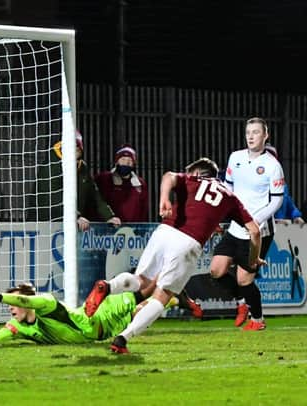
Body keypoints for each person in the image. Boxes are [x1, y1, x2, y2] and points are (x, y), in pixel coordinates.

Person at [85, 157, 263, 354]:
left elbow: (169, 176)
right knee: (162, 296)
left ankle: (108, 286)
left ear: (198, 173)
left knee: (141, 280)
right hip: (188, 243)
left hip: (164, 232)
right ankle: (122, 339)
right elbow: (255, 231)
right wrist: (253, 260)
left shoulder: (192, 181)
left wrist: (165, 199)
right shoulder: (230, 197)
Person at [209, 118, 284, 331]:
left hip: (258, 231)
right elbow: (227, 189)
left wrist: (256, 220)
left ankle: (258, 320)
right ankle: (242, 303)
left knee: (244, 279)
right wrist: (217, 216)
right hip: (235, 227)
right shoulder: (236, 158)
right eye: (248, 132)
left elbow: (277, 200)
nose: (251, 136)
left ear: (265, 136)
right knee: (216, 271)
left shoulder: (272, 165)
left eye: (256, 132)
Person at [0, 282, 144, 346]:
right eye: (9, 306)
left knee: (143, 293)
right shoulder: (19, 325)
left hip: (97, 319)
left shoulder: (45, 303)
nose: (11, 309)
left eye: (13, 304)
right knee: (137, 313)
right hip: (100, 332)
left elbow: (26, 300)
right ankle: (168, 297)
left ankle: (166, 288)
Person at [37, 130, 120, 231]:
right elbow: (52, 198)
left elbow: (95, 195)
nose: (73, 151)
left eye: (76, 148)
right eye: (69, 147)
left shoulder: (83, 168)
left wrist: (109, 216)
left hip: (71, 225)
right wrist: (75, 217)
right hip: (44, 226)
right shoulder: (51, 166)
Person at [95, 144, 149, 222]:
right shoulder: (103, 179)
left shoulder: (140, 184)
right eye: (123, 159)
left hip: (132, 232)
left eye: (129, 161)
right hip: (107, 230)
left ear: (133, 163)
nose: (126, 163)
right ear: (117, 161)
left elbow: (144, 211)